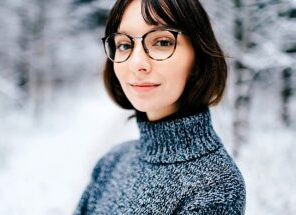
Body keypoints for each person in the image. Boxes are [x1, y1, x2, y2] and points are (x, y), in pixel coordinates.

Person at [74, 0, 246, 214]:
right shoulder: (112, 161)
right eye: (124, 45)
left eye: (162, 42)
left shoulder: (216, 186)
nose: (137, 64)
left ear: (198, 56)